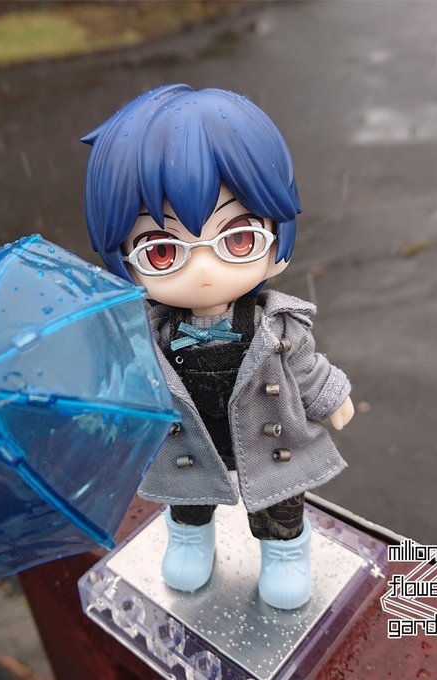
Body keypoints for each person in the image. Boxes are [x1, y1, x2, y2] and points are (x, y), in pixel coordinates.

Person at [82, 84, 354, 609]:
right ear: (123, 261)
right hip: (191, 438)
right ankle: (189, 537)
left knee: (278, 497)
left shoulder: (276, 325)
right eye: (162, 251)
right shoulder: (144, 336)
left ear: (278, 236)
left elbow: (304, 366)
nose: (204, 269)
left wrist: (331, 397)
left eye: (238, 238)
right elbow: (127, 384)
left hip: (266, 432)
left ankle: (284, 549)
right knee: (187, 492)